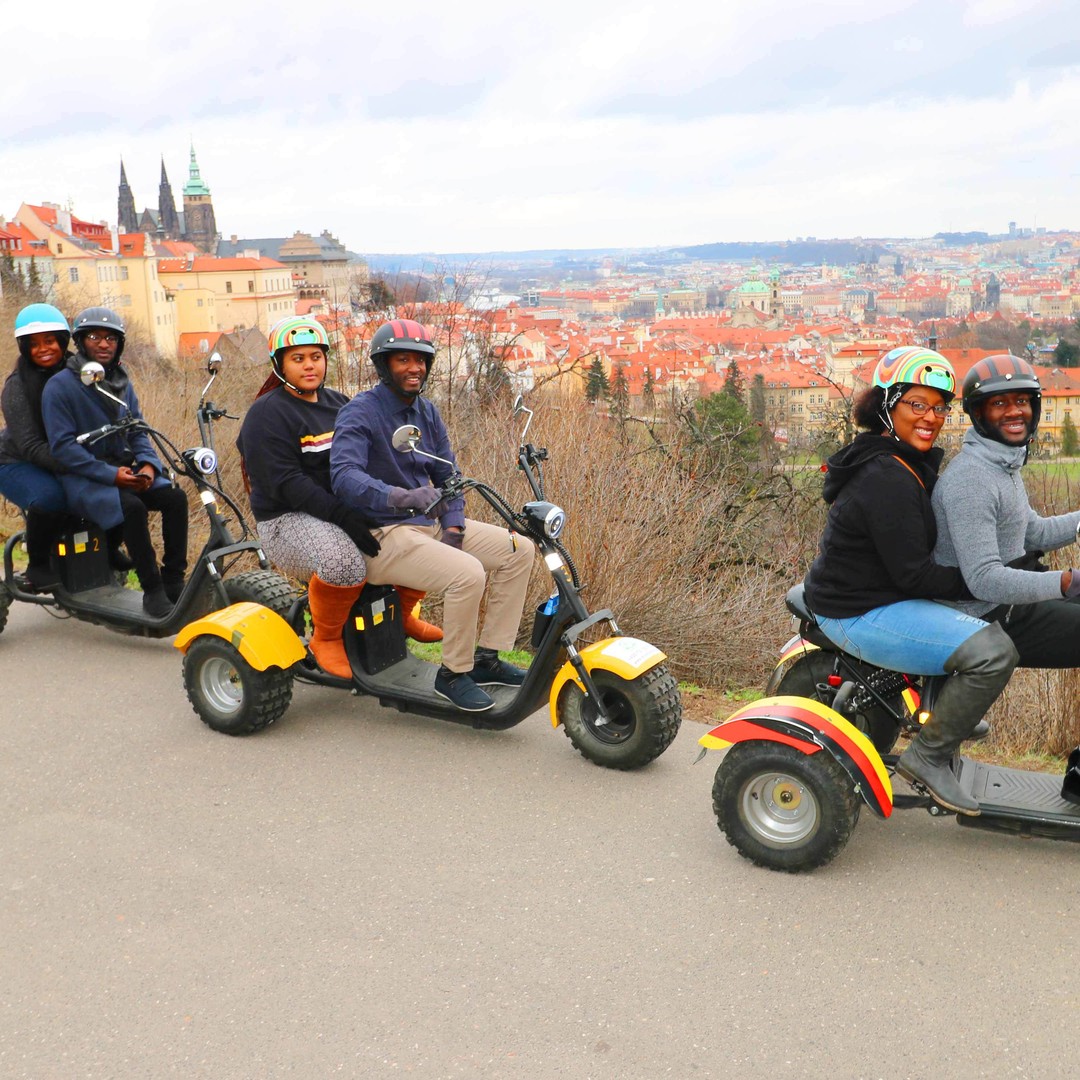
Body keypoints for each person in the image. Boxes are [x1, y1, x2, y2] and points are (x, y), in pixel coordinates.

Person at [802, 346, 1018, 815]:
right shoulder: (886, 475)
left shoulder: (902, 460)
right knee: (993, 652)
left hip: (879, 594)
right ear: (886, 405)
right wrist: (987, 580)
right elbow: (916, 574)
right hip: (857, 610)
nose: (931, 418)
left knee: (981, 613)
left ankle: (947, 713)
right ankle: (927, 758)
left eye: (939, 408)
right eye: (917, 404)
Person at [330, 318, 535, 712]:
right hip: (383, 534)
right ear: (384, 365)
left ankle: (487, 659)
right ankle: (453, 673)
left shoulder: (426, 412)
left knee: (519, 550)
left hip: (428, 524)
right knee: (467, 573)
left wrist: (454, 523)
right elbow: (344, 476)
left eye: (421, 360)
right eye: (404, 360)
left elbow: (449, 474)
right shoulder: (361, 412)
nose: (415, 368)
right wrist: (400, 496)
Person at [236, 315, 442, 680]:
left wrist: (397, 498)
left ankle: (402, 613)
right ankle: (326, 638)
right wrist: (344, 515)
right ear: (279, 364)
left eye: (315, 356)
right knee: (344, 562)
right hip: (287, 520)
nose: (309, 365)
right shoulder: (266, 414)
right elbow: (288, 483)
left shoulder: (338, 403)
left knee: (418, 529)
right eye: (298, 358)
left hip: (341, 510)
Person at [933, 353, 1080, 667]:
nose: (1015, 411)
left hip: (1012, 596)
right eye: (999, 403)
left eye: (1022, 401)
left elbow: (1034, 533)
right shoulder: (971, 478)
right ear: (978, 413)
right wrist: (1065, 581)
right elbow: (983, 578)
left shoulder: (1002, 464)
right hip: (982, 613)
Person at [41, 307, 188, 618]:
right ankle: (152, 589)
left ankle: (173, 580)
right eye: (95, 337)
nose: (104, 344)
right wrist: (112, 476)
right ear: (81, 341)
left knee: (175, 498)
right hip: (82, 477)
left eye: (111, 338)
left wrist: (148, 466)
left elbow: (137, 430)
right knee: (132, 508)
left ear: (119, 344)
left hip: (123, 470)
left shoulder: (121, 381)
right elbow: (63, 448)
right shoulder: (60, 386)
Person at [0, 304, 81, 590]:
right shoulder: (16, 387)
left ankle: (105, 550)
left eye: (49, 340)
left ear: (63, 340)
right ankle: (37, 566)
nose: (43, 349)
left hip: (64, 454)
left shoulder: (80, 372)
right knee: (50, 498)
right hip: (15, 461)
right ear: (24, 347)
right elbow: (31, 446)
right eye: (33, 344)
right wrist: (79, 465)